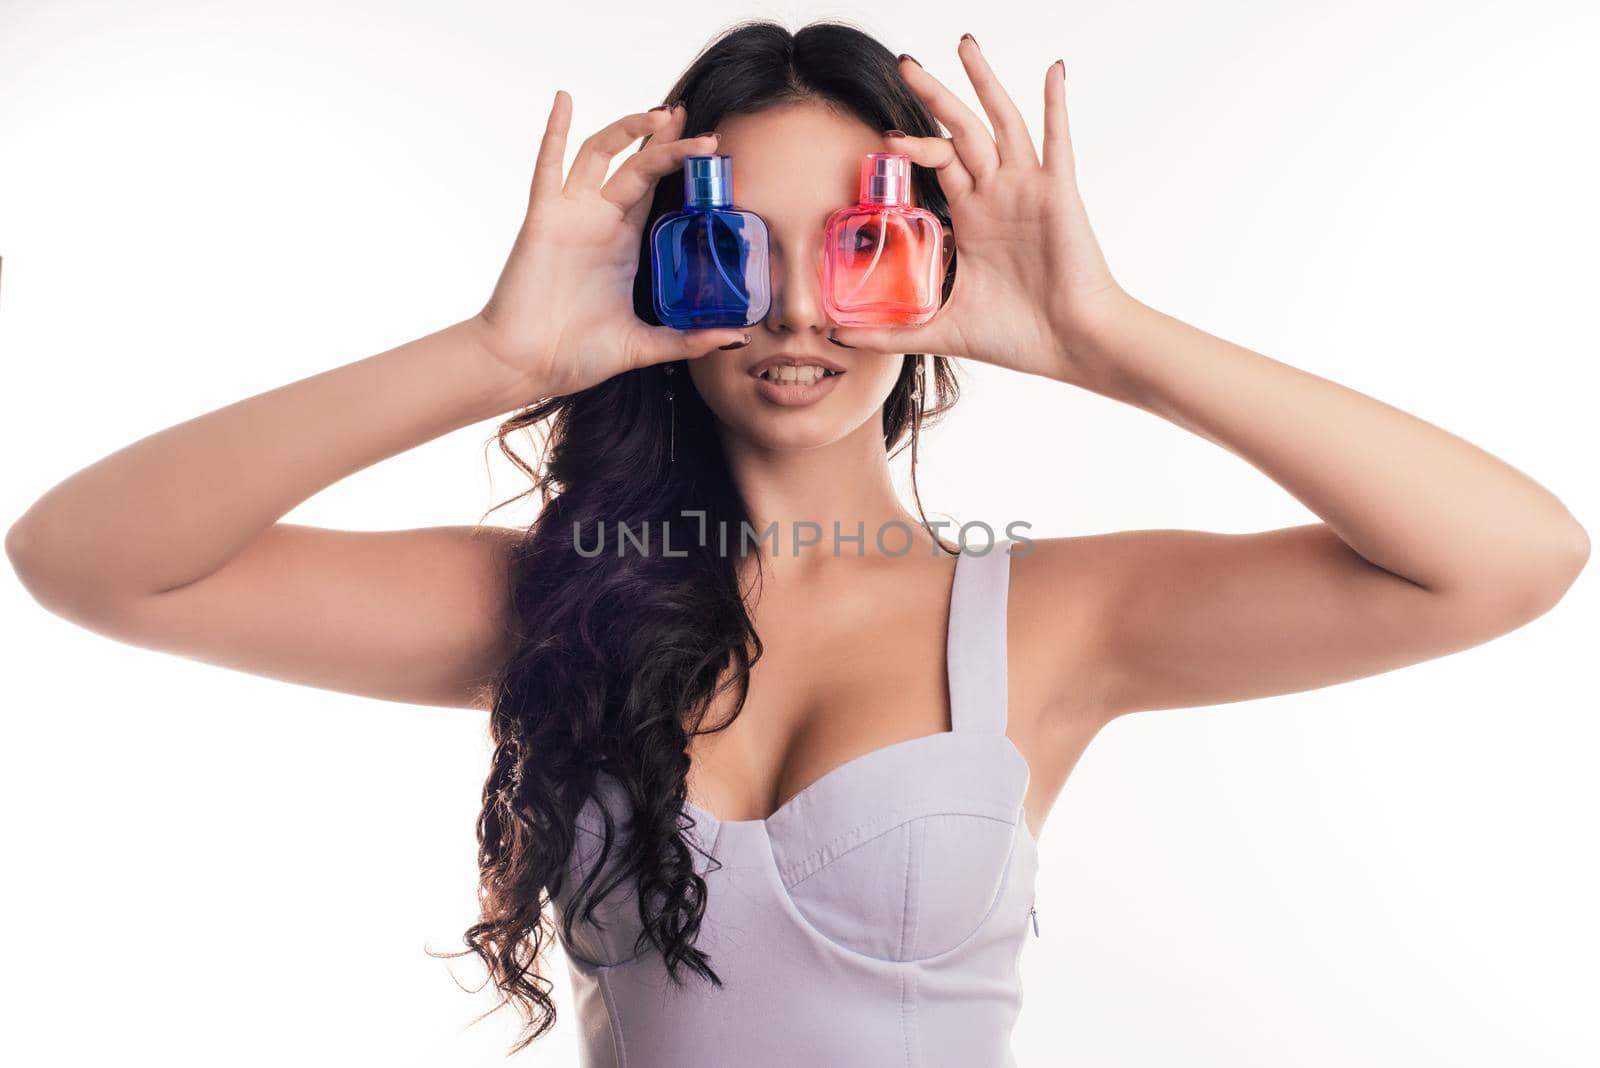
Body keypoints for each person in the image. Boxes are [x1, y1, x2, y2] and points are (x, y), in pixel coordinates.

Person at [5, 18, 1587, 1066]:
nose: (795, 310)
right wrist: (495, 358)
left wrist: (1111, 337)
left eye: (862, 246)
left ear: (933, 266)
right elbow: (89, 556)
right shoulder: (554, 610)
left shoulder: (1053, 620)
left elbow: (1508, 558)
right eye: (730, 248)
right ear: (658, 273)